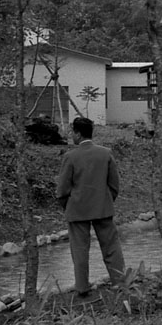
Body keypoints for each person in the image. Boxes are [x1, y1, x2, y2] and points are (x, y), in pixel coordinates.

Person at [56, 117, 125, 300]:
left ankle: (82, 287)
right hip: (102, 207)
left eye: (72, 132)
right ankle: (119, 282)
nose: (71, 135)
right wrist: (107, 200)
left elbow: (62, 189)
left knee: (79, 249)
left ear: (78, 134)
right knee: (111, 246)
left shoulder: (70, 156)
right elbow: (114, 184)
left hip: (77, 209)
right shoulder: (105, 153)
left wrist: (67, 205)